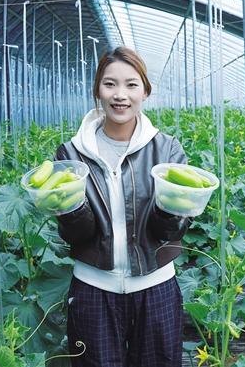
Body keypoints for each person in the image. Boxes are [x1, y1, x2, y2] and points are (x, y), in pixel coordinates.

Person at [53, 46, 191, 367]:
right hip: (93, 288)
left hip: (155, 286)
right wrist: (68, 208)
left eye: (131, 84)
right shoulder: (71, 155)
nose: (120, 95)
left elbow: (172, 231)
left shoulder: (167, 150)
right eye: (110, 84)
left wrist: (172, 208)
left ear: (145, 91)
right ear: (97, 90)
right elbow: (77, 235)